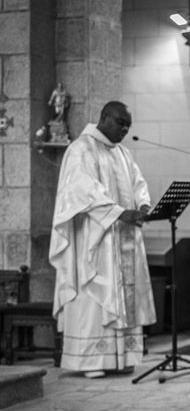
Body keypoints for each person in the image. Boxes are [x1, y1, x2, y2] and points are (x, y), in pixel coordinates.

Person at [49, 101, 156, 378]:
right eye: (121, 123)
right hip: (96, 240)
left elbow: (138, 183)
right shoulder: (80, 149)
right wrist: (120, 213)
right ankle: (92, 361)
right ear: (105, 118)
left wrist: (143, 205)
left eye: (128, 125)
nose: (125, 129)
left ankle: (122, 358)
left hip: (124, 239)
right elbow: (82, 191)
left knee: (123, 297)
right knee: (96, 294)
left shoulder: (122, 153)